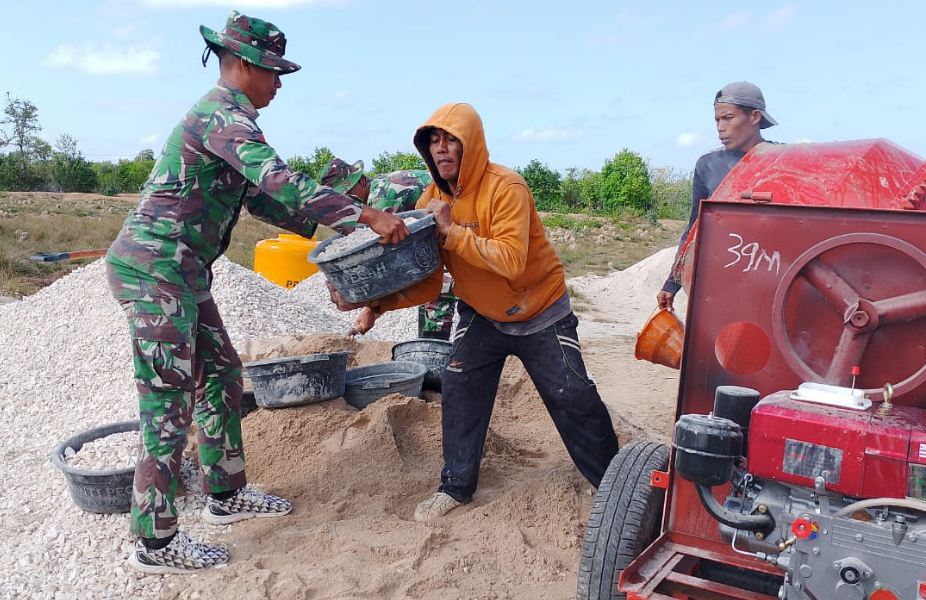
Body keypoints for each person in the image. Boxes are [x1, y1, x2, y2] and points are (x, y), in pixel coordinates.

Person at [104, 11, 408, 575]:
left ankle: (225, 494)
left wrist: (338, 215)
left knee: (220, 375)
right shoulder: (221, 115)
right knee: (168, 401)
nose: (279, 83)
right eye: (273, 71)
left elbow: (267, 203)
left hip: (185, 273)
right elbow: (277, 181)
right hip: (155, 271)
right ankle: (155, 540)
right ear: (243, 64)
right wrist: (365, 214)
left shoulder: (235, 120)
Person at [327, 103, 620, 521]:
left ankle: (613, 482)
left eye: (450, 140)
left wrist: (451, 231)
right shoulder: (431, 199)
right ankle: (456, 487)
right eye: (433, 141)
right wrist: (372, 304)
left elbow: (512, 261)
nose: (441, 149)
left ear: (471, 145)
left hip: (541, 311)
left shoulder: (506, 188)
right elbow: (429, 280)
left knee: (571, 394)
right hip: (482, 314)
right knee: (459, 386)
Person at [657, 81, 778, 313]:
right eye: (717, 120)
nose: (720, 127)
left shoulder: (781, 161)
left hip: (770, 280)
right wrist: (671, 284)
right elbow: (695, 228)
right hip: (721, 282)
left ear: (754, 117)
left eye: (728, 118)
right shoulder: (708, 166)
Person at [318, 157, 457, 339]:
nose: (347, 204)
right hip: (439, 230)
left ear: (360, 181)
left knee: (437, 287)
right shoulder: (377, 190)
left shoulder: (381, 199)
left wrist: (370, 307)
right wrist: (372, 311)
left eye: (348, 196)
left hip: (458, 222)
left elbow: (389, 264)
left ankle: (432, 348)